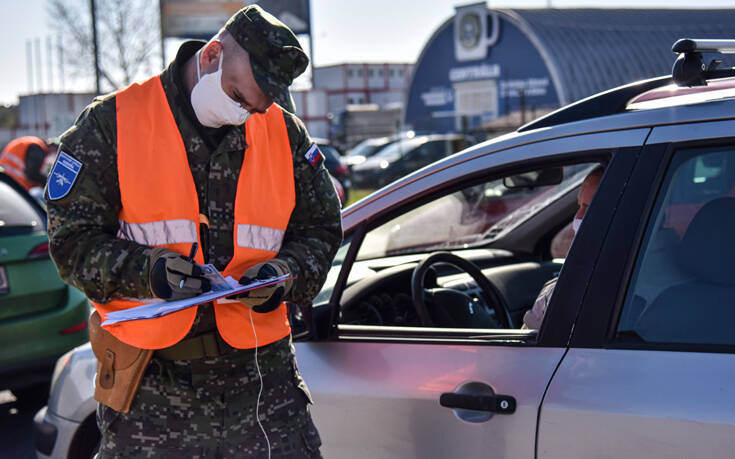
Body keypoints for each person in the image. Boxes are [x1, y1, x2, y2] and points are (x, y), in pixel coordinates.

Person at [45, 5, 341, 458]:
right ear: (211, 56)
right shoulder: (111, 124)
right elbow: (72, 242)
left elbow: (321, 229)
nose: (247, 114)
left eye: (258, 106)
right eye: (240, 97)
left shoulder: (283, 130)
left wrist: (284, 274)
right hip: (153, 395)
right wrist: (150, 272)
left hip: (263, 390)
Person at [522, 165, 604, 329]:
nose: (578, 216)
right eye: (579, 206)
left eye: (589, 208)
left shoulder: (567, 289)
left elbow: (526, 349)